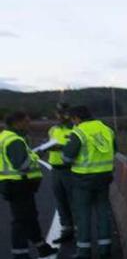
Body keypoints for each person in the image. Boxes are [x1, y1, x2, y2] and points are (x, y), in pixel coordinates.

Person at [0, 111, 57, 259]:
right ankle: (20, 255)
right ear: (17, 123)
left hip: (13, 184)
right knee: (21, 220)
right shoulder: (14, 140)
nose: (28, 124)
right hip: (18, 184)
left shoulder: (4, 137)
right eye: (26, 122)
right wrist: (36, 156)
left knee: (29, 216)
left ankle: (41, 247)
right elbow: (22, 165)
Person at [63, 106, 116, 259]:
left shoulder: (79, 132)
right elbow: (115, 150)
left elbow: (67, 158)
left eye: (73, 120)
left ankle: (84, 252)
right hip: (104, 178)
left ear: (76, 118)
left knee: (83, 214)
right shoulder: (107, 130)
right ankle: (105, 249)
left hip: (83, 179)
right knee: (103, 212)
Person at [46, 102, 76, 243]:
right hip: (55, 170)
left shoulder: (76, 129)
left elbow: (79, 148)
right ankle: (66, 230)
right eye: (58, 113)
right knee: (61, 201)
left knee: (73, 201)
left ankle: (80, 232)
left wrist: (62, 147)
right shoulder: (53, 129)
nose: (60, 116)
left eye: (63, 113)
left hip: (70, 170)